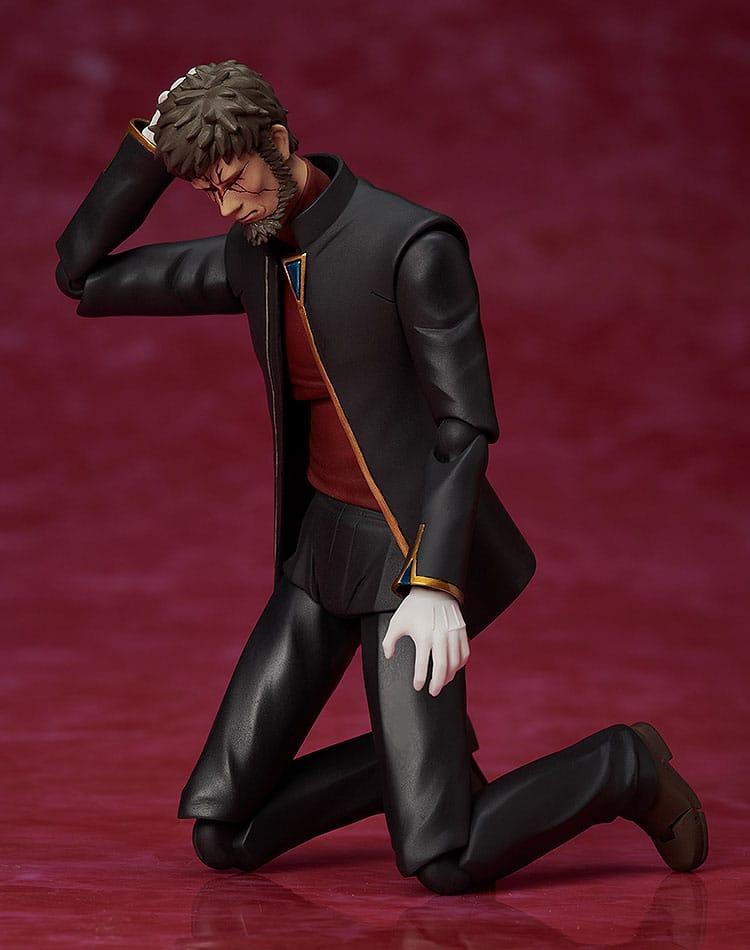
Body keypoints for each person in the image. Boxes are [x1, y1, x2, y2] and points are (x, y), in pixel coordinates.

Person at [55, 60, 708, 893]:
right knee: (224, 831)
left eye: (234, 181)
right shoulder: (253, 252)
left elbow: (463, 427)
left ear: (277, 142)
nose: (226, 208)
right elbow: (82, 274)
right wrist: (151, 145)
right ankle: (410, 773)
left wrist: (436, 581)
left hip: (407, 557)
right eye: (206, 192)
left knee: (444, 861)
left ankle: (623, 766)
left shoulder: (409, 245)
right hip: (319, 553)